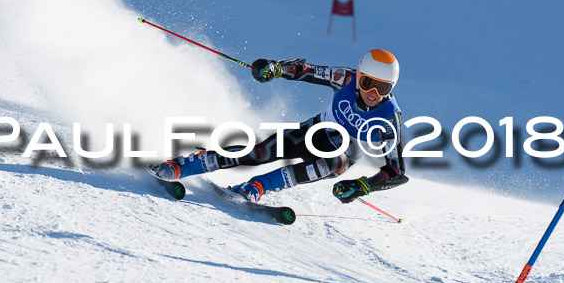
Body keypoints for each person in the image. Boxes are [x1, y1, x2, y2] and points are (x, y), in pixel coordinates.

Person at [151, 49, 409, 203]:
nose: (373, 93)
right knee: (260, 153)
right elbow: (306, 70)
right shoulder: (346, 79)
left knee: (333, 164)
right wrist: (276, 68)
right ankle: (183, 165)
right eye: (367, 84)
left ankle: (258, 187)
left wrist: (362, 186)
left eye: (383, 88)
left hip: (338, 157)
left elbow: (396, 172)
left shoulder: (388, 119)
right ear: (360, 76)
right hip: (314, 133)